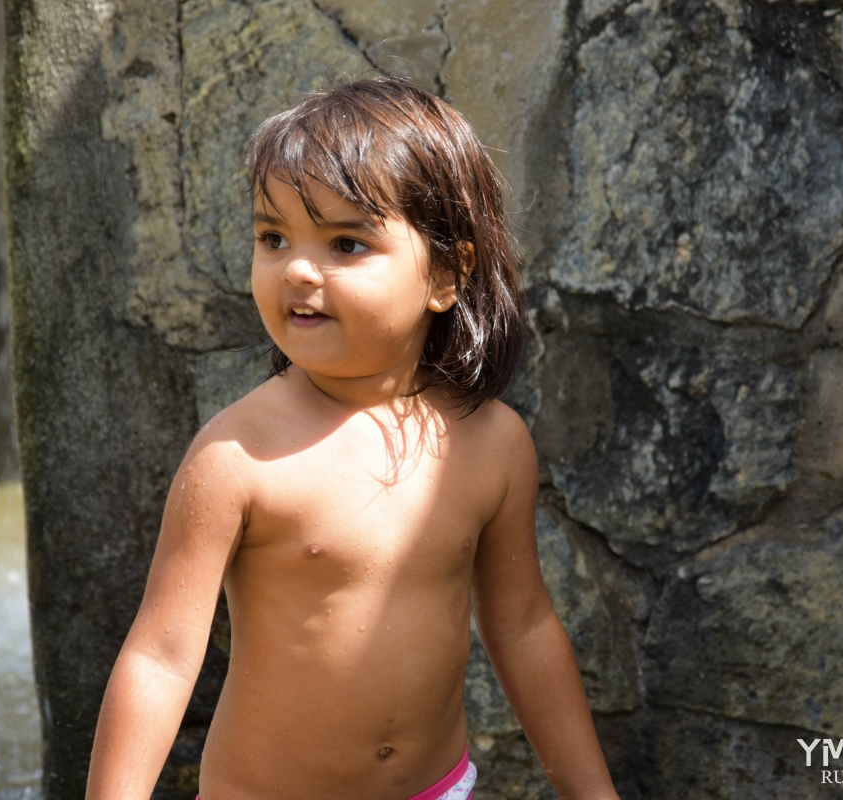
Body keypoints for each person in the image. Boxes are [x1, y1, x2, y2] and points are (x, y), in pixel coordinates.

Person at [86, 76, 620, 800]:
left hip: (437, 788)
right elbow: (161, 656)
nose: (298, 270)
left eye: (346, 243)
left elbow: (523, 628)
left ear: (446, 275)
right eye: (273, 238)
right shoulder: (237, 457)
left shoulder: (492, 444)